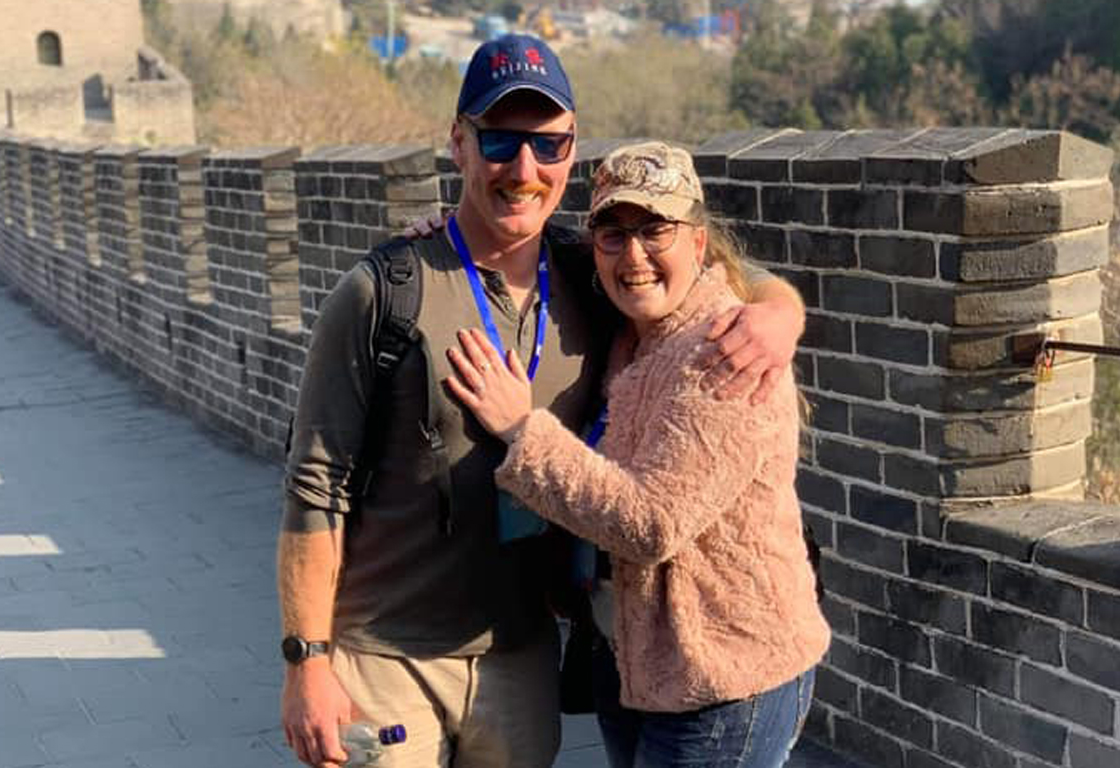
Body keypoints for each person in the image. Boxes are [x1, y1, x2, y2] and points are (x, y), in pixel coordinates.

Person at [277, 34, 807, 768]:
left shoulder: (589, 278)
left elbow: (700, 271)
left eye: (548, 146)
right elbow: (314, 485)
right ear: (458, 143)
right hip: (389, 654)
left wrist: (782, 313)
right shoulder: (384, 291)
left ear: (570, 154)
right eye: (499, 140)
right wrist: (307, 660)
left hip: (520, 653)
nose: (523, 169)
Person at [445, 141, 830, 768]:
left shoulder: (721, 352)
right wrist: (440, 235)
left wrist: (521, 427)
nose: (634, 255)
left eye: (656, 230)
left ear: (698, 243)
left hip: (724, 676)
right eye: (613, 234)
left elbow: (651, 524)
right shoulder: (628, 326)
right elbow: (505, 243)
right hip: (634, 657)